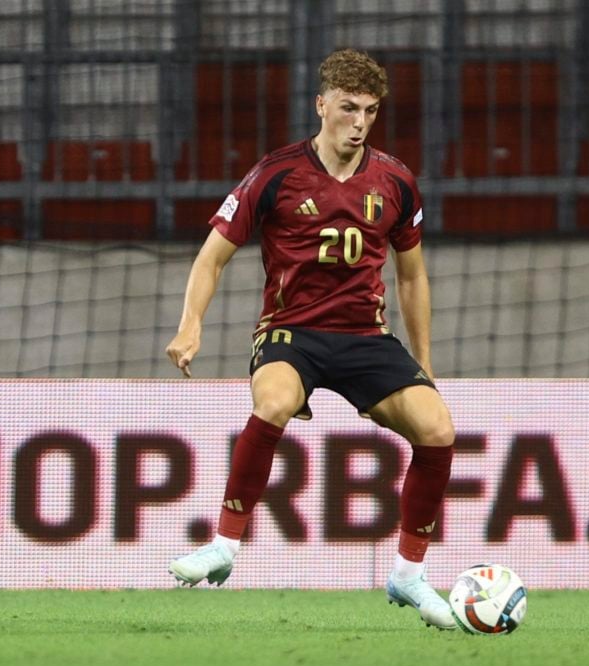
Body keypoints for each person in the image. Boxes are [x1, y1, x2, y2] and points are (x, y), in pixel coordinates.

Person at [165, 48, 456, 630]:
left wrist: (422, 363)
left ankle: (407, 575)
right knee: (272, 401)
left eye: (371, 112)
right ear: (321, 105)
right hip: (290, 333)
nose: (359, 122)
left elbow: (412, 274)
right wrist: (189, 326)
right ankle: (225, 543)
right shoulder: (276, 174)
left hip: (365, 338)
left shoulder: (396, 180)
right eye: (348, 108)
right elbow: (212, 257)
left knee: (438, 430)